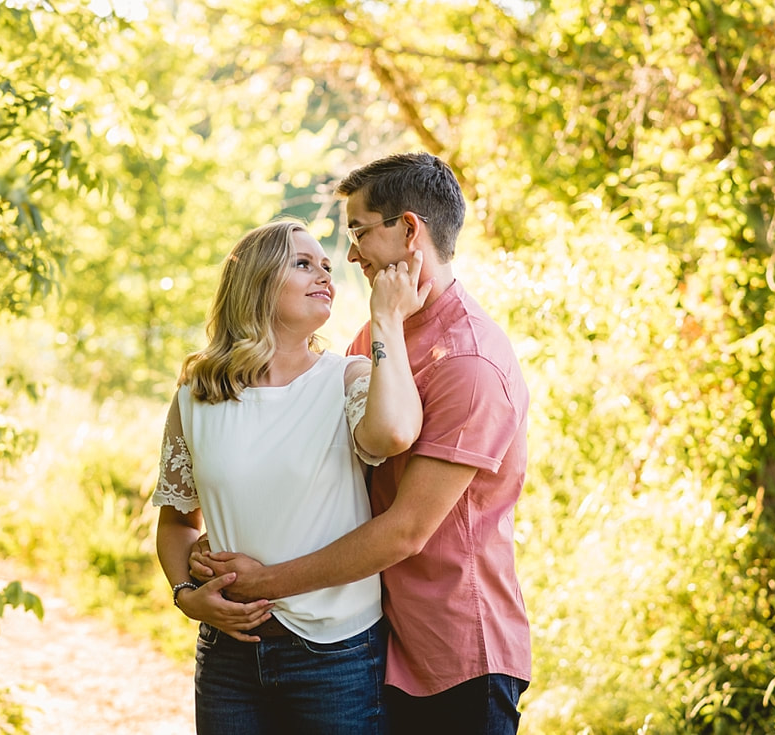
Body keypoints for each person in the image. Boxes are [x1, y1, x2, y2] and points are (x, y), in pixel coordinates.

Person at [192, 153, 532, 734]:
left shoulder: (468, 364)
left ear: (408, 229)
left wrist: (258, 584)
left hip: (453, 653)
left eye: (357, 232)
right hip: (376, 641)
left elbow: (405, 529)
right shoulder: (379, 333)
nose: (349, 256)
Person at [151, 218, 431, 735]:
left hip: (337, 655)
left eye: (326, 265)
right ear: (255, 283)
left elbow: (393, 435)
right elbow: (176, 521)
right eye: (303, 264)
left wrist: (386, 322)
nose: (325, 274)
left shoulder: (346, 377)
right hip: (229, 654)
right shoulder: (197, 395)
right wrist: (187, 595)